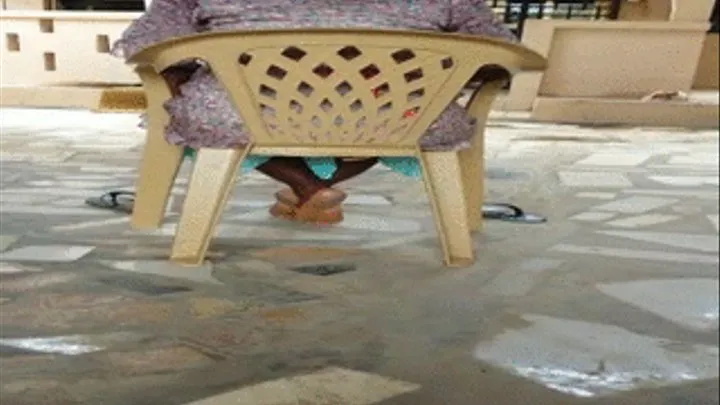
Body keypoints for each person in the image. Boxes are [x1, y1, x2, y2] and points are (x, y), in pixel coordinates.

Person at [104, 0, 517, 224]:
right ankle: (318, 187)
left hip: (244, 110)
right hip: (396, 111)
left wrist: (181, 77)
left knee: (200, 114)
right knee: (394, 116)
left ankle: (306, 186)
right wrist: (444, 71)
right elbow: (501, 53)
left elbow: (145, 42)